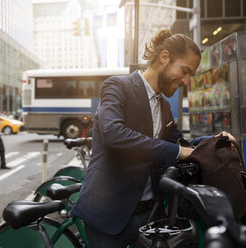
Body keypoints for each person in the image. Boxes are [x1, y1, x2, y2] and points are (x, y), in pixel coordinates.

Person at [71, 29, 236, 248]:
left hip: (150, 216)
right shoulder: (118, 86)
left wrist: (214, 140)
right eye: (185, 71)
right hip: (107, 215)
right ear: (164, 57)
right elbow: (113, 134)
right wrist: (177, 151)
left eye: (191, 75)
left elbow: (178, 143)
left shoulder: (165, 106)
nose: (187, 81)